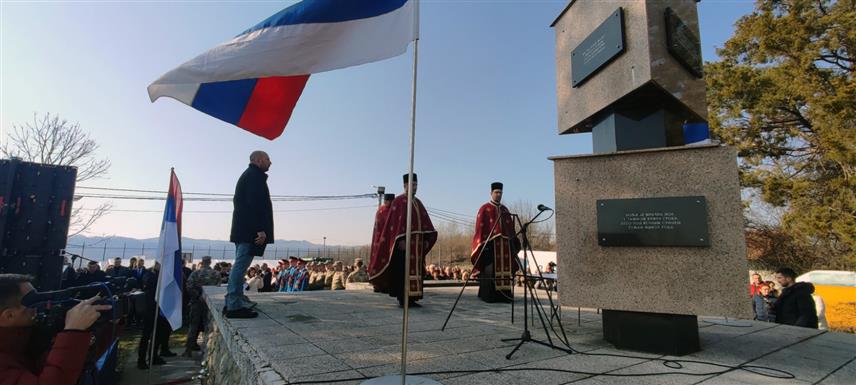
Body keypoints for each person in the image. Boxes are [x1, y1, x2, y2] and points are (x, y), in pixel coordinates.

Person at [0, 274, 112, 385]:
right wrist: (73, 333)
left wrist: (110, 324)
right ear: (9, 315)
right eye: (33, 301)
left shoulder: (25, 337)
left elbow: (73, 367)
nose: (38, 307)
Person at [369, 173, 437, 307]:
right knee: (403, 272)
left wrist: (426, 239)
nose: (414, 187)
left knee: (416, 271)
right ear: (405, 186)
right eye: (412, 185)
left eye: (416, 185)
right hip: (403, 245)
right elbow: (394, 225)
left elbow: (425, 223)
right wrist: (399, 240)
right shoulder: (399, 201)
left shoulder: (418, 202)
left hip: (416, 246)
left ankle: (413, 298)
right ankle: (403, 298)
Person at [226, 150, 274, 319]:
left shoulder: (252, 175)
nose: (270, 162)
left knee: (240, 266)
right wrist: (260, 229)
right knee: (240, 267)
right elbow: (253, 206)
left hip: (244, 230)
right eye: (268, 159)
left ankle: (235, 301)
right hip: (249, 231)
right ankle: (233, 305)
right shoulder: (254, 176)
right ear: (259, 160)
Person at [470, 182, 520, 303]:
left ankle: (504, 295)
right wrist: (484, 244)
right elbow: (480, 230)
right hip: (490, 248)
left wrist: (514, 241)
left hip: (505, 248)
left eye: (500, 193)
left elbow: (510, 229)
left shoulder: (505, 209)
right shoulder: (484, 209)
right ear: (491, 193)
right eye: (496, 193)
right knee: (490, 270)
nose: (498, 195)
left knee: (505, 270)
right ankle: (488, 295)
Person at [183, 256, 221, 357]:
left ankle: (188, 350)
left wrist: (198, 295)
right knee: (208, 327)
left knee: (193, 326)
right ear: (210, 262)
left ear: (202, 262)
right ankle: (207, 351)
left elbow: (189, 286)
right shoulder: (216, 274)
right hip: (210, 304)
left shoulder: (195, 273)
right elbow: (218, 288)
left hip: (196, 302)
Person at [137, 262, 173, 369]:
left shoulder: (163, 275)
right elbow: (147, 285)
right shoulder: (149, 274)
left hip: (161, 309)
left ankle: (154, 356)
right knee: (146, 336)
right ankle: (141, 360)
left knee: (158, 335)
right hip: (150, 309)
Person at [370, 194, 396, 292]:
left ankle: (383, 285)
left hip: (384, 241)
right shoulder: (384, 211)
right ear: (387, 201)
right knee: (383, 263)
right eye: (391, 202)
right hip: (384, 242)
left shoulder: (380, 211)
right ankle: (381, 285)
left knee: (385, 263)